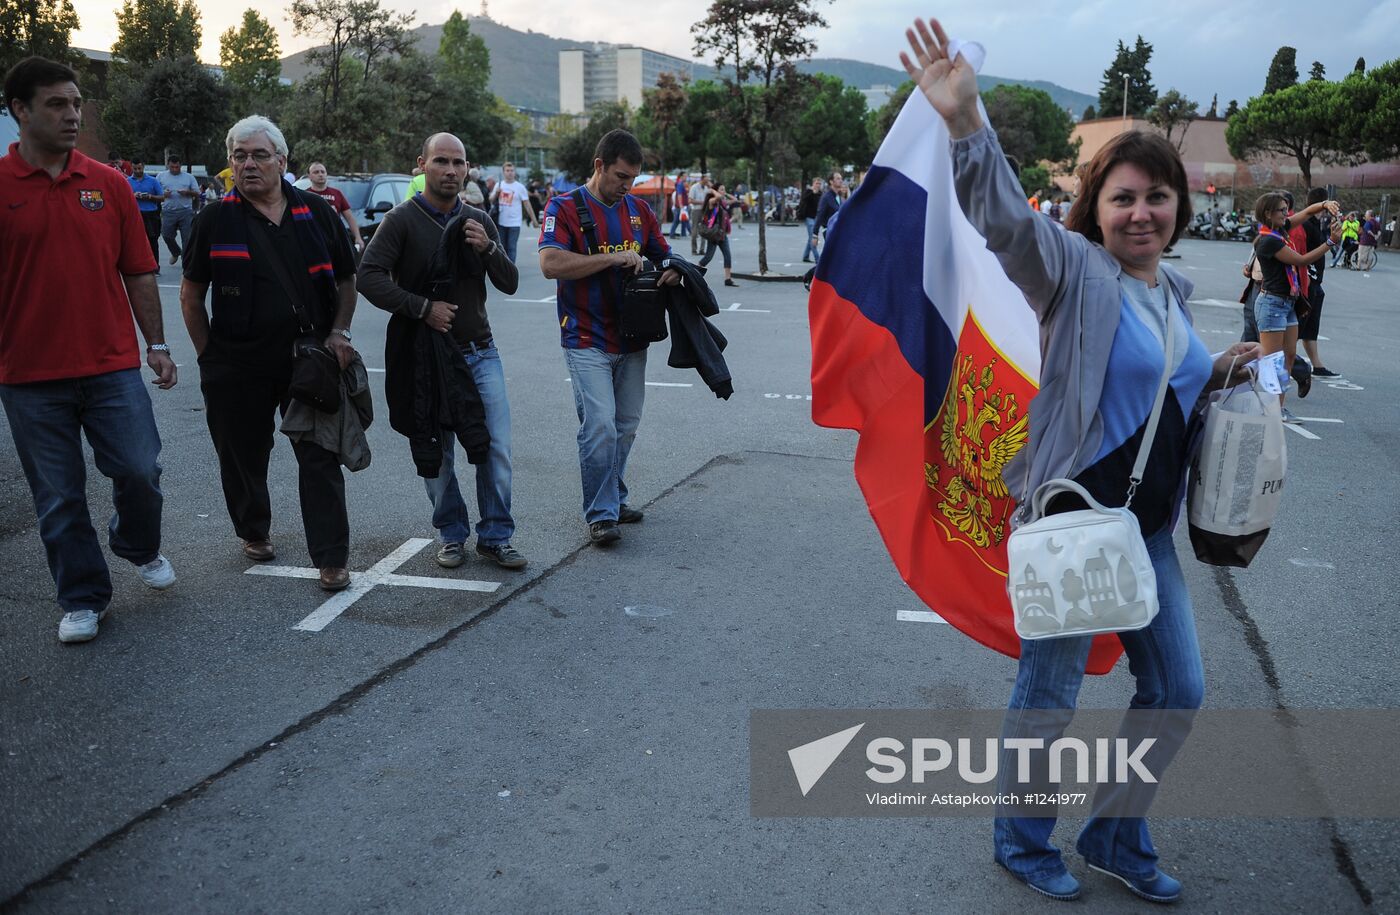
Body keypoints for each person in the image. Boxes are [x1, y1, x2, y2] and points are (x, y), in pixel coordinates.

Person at [900, 18, 1265, 903]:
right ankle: (1022, 842)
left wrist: (1217, 369)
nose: (1141, 212)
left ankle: (1112, 830)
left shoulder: (1172, 295)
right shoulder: (1070, 270)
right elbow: (1000, 221)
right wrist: (964, 124)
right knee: (1050, 693)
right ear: (1096, 210)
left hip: (1144, 529)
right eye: (1123, 198)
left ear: (1178, 204)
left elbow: (1159, 387)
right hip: (1072, 522)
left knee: (1177, 685)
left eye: (1157, 196)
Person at [1, 56, 178, 644]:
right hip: (28, 375)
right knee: (58, 496)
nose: (73, 114)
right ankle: (82, 597)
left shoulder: (109, 184)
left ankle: (138, 544)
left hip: (110, 367)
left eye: (76, 102)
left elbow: (139, 271)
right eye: (57, 104)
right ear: (20, 111)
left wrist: (155, 344)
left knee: (139, 470)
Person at [179, 115, 360, 592]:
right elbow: (192, 293)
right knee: (242, 453)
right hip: (237, 363)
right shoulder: (214, 220)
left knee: (319, 457)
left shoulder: (318, 214)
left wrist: (340, 331)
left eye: (259, 155)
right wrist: (208, 358)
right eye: (239, 156)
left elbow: (346, 278)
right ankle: (253, 529)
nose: (248, 164)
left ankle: (331, 556)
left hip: (310, 358)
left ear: (282, 161)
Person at [358, 132, 528, 571]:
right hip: (425, 357)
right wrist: (422, 308)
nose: (451, 170)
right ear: (422, 165)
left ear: (467, 168)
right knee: (436, 451)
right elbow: (369, 277)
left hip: (479, 352)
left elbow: (509, 282)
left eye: (458, 163)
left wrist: (488, 248)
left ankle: (496, 536)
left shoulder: (479, 219)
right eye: (441, 162)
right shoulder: (401, 220)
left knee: (495, 448)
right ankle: (452, 533)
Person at [538, 128, 681, 546]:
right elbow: (549, 263)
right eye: (621, 176)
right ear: (599, 165)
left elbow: (662, 252)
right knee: (599, 425)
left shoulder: (639, 210)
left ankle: (614, 498)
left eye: (633, 178)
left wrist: (672, 268)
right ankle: (601, 514)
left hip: (633, 338)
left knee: (626, 426)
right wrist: (611, 258)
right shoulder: (563, 206)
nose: (627, 186)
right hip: (585, 336)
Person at [1252, 190, 1341, 422]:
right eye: (1282, 210)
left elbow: (1307, 211)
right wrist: (1330, 242)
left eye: (1286, 209)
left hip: (1288, 303)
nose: (1286, 213)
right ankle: (1267, 407)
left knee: (1289, 356)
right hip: (1272, 304)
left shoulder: (1280, 229)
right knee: (1273, 362)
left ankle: (1278, 409)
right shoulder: (1269, 240)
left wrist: (1325, 204)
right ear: (1268, 213)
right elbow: (1301, 260)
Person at [1299, 187, 1341, 378]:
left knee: (1311, 326)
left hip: (1315, 282)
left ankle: (1317, 364)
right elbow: (1303, 253)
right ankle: (1293, 364)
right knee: (1297, 326)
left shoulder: (1316, 223)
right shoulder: (1306, 224)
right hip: (1308, 281)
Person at [305, 161, 364, 252]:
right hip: (313, 241)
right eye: (316, 172)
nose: (320, 174)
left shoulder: (337, 193)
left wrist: (358, 237)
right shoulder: (304, 196)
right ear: (309, 176)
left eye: (322, 172)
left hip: (335, 240)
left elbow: (349, 217)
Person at [488, 161, 536, 263]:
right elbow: (491, 200)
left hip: (515, 223)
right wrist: (496, 194)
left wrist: (534, 220)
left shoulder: (519, 187)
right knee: (501, 247)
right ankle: (503, 268)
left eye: (512, 170)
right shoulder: (499, 185)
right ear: (503, 172)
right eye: (507, 170)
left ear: (515, 172)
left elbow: (527, 204)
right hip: (501, 222)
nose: (510, 173)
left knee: (511, 247)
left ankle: (510, 270)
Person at [157, 155, 199, 265]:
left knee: (187, 238)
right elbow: (156, 191)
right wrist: (163, 193)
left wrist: (188, 192)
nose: (175, 169)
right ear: (168, 165)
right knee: (166, 234)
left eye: (177, 167)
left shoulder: (189, 177)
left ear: (181, 165)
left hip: (185, 211)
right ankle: (175, 251)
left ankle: (186, 262)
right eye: (172, 167)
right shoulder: (161, 176)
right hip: (168, 211)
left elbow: (197, 193)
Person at [697, 181, 739, 287]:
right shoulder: (711, 201)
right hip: (714, 234)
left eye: (724, 189)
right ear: (716, 191)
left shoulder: (722, 202)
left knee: (727, 255)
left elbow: (734, 200)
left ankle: (728, 279)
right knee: (708, 257)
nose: (723, 192)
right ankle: (695, 274)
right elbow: (719, 197)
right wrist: (712, 190)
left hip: (722, 234)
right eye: (722, 189)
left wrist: (726, 193)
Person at [127, 159, 164, 269]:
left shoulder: (153, 181)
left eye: (140, 168)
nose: (138, 171)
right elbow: (123, 197)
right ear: (131, 167)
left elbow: (162, 197)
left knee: (153, 240)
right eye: (135, 169)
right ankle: (137, 264)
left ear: (143, 167)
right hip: (135, 214)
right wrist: (133, 196)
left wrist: (150, 197)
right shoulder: (127, 181)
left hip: (151, 214)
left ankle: (155, 265)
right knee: (134, 240)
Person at [814, 170, 844, 259]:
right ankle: (812, 273)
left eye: (841, 178)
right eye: (838, 178)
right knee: (833, 257)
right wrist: (815, 235)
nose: (841, 180)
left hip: (838, 231)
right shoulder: (826, 197)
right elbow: (820, 215)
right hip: (829, 230)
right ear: (831, 181)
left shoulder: (838, 196)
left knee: (833, 257)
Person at [798, 176, 822, 262]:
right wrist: (812, 192)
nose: (818, 185)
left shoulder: (820, 194)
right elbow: (803, 200)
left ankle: (805, 256)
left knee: (810, 238)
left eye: (819, 184)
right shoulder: (808, 192)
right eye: (817, 183)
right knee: (813, 237)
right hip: (809, 218)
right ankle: (818, 259)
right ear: (813, 184)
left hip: (816, 218)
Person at [668, 170, 689, 238]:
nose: (686, 177)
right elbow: (679, 195)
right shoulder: (680, 184)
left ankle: (682, 233)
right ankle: (672, 234)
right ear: (681, 176)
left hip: (680, 205)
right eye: (685, 176)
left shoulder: (680, 183)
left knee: (681, 219)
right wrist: (681, 205)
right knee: (677, 220)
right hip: (680, 206)